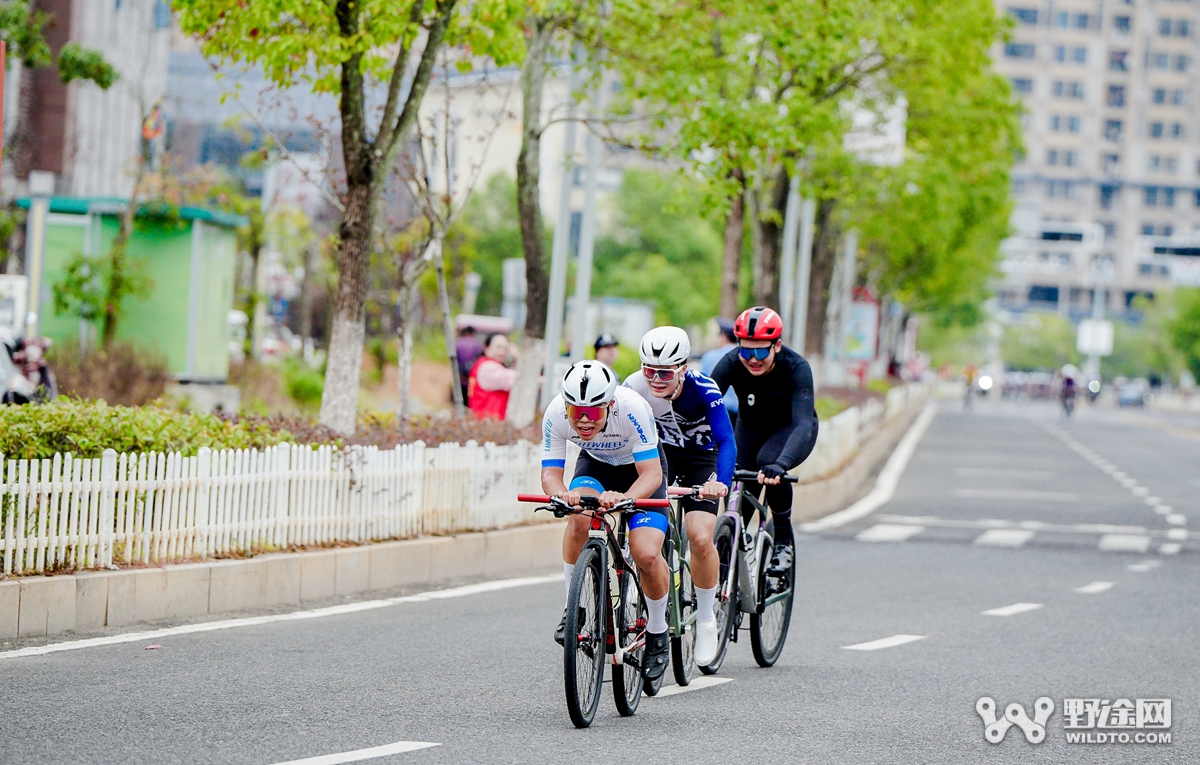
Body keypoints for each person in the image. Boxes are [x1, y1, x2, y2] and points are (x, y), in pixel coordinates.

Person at [540, 359, 673, 681]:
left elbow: (652, 474)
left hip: (641, 470)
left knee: (646, 554)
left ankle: (658, 630)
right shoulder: (555, 413)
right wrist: (562, 494)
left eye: (594, 412)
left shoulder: (632, 408)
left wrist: (626, 498)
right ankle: (575, 609)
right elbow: (550, 474)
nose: (584, 420)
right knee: (578, 518)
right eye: (576, 412)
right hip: (596, 465)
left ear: (610, 404)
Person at [625, 326, 735, 666]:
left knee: (700, 537)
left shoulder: (705, 389)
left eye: (665, 372)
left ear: (683, 367)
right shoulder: (633, 388)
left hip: (701, 462)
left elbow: (726, 441)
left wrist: (722, 482)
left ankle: (705, 618)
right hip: (660, 460)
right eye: (650, 370)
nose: (656, 379)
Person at [709, 306, 818, 575]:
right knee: (737, 491)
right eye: (746, 351)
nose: (753, 359)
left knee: (768, 463)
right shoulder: (732, 362)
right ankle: (733, 554)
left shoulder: (797, 368)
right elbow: (705, 406)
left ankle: (783, 542)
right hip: (750, 428)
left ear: (777, 345)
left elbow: (803, 423)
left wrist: (782, 464)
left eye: (760, 351)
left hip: (790, 429)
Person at [700, 318, 740, 430]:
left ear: (724, 337)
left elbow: (702, 385)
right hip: (741, 416)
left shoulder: (710, 357)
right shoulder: (745, 356)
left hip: (718, 412)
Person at [467, 333, 517, 419]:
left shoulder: (481, 364)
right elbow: (516, 380)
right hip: (488, 423)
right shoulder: (488, 367)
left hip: (486, 422)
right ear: (486, 347)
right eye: (498, 347)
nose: (502, 352)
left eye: (505, 348)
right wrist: (516, 356)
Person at [455, 326, 483, 405]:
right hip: (471, 377)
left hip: (460, 376)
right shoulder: (477, 344)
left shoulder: (458, 343)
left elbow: (455, 360)